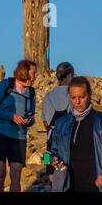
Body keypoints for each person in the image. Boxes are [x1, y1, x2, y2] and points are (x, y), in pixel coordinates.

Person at [48, 76, 102, 192]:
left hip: (96, 187)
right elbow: (48, 153)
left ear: (89, 95)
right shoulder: (60, 123)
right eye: (73, 98)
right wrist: (51, 163)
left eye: (81, 97)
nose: (77, 102)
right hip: (68, 186)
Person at [0, 59, 37, 192]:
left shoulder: (31, 92)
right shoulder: (6, 85)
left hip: (19, 137)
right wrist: (11, 116)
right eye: (33, 72)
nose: (35, 75)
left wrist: (29, 120)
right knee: (0, 172)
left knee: (16, 174)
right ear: (25, 72)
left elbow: (32, 115)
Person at [40, 61, 75, 190]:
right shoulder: (73, 95)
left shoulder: (48, 96)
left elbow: (44, 122)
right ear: (69, 76)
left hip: (51, 136)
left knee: (48, 158)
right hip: (67, 137)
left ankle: (51, 184)